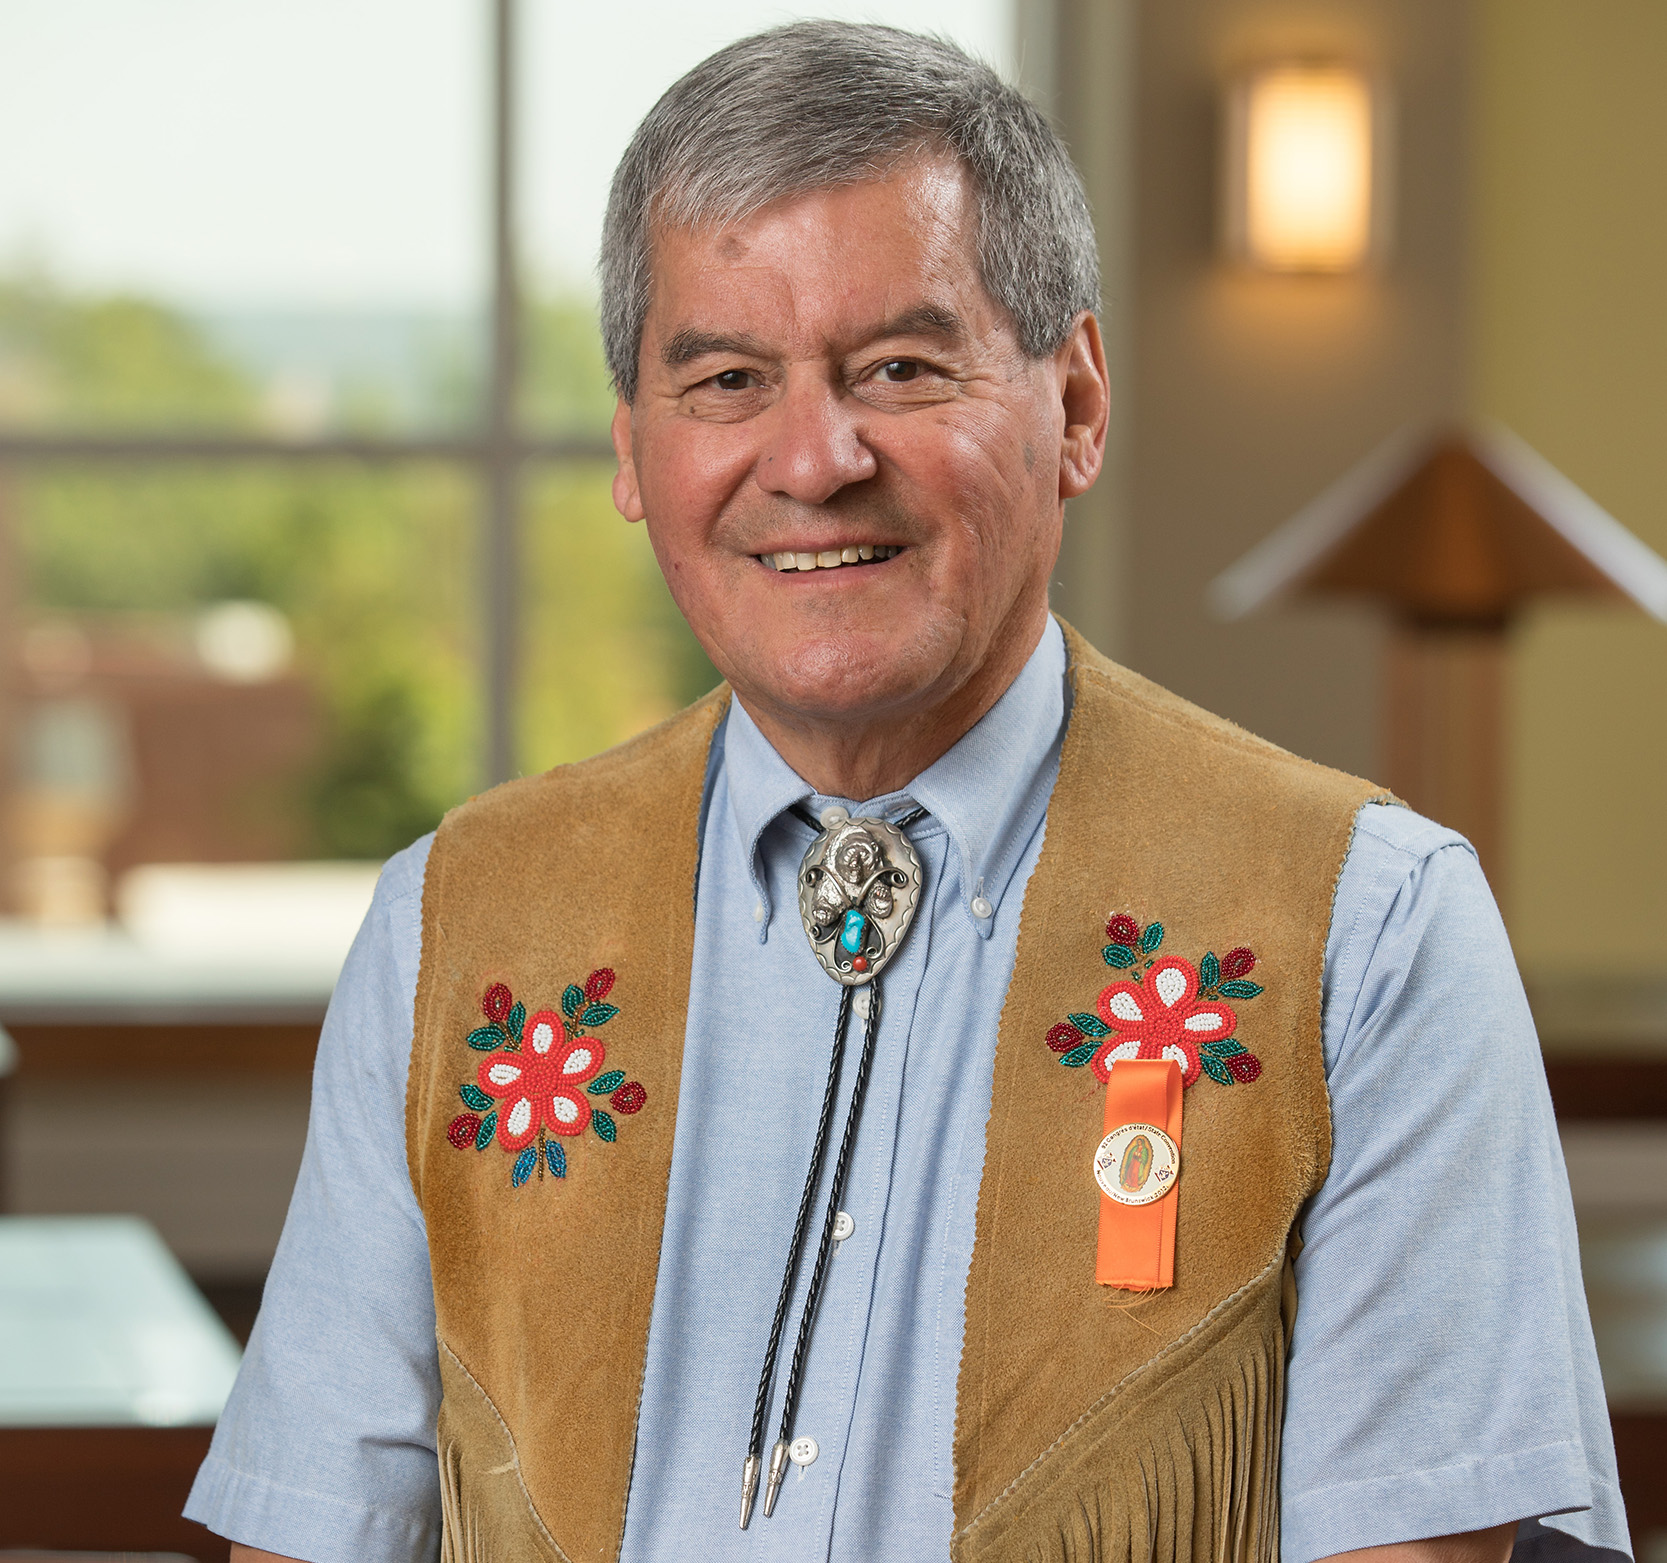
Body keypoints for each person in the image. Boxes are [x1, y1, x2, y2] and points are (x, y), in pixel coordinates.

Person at [186, 22, 1629, 1563]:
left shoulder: (1367, 928)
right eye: (728, 378)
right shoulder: (451, 928)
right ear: (634, 451)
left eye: (899, 368)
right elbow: (314, 1537)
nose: (813, 460)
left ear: (1073, 404)